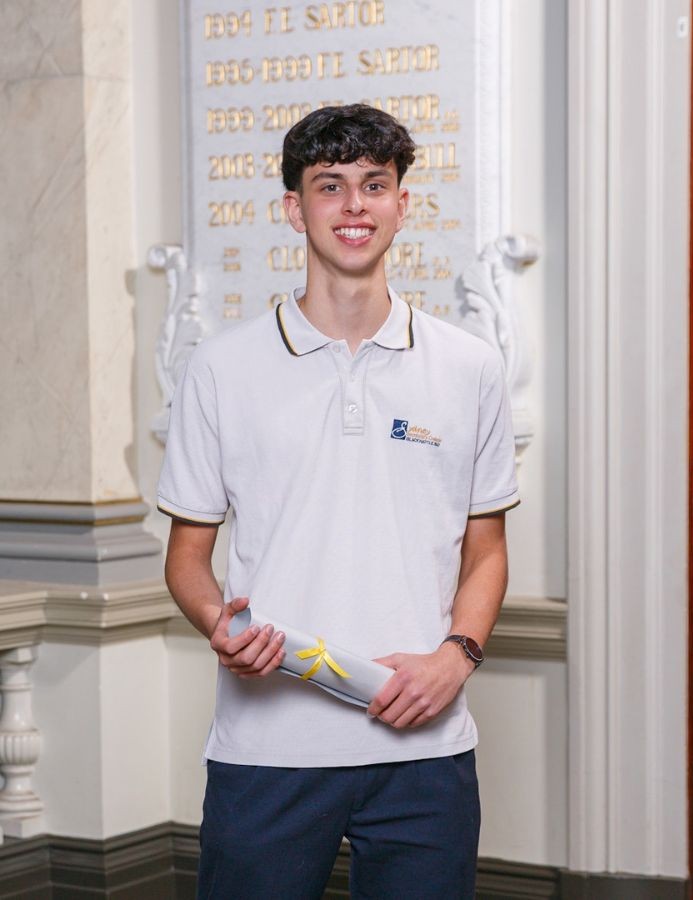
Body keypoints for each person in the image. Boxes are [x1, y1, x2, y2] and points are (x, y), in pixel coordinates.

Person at [158, 103, 520, 899]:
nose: (355, 205)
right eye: (331, 185)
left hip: (424, 749)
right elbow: (187, 557)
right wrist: (220, 623)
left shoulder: (470, 368)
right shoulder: (220, 369)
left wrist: (455, 657)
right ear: (295, 208)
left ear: (401, 204)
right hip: (267, 752)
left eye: (374, 184)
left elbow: (486, 549)